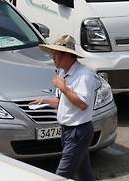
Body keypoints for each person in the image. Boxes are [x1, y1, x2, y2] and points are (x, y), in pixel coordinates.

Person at [32, 35, 98, 181]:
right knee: (84, 172)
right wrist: (45, 101)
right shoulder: (63, 73)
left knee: (62, 174)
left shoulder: (84, 76)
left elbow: (82, 104)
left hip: (78, 132)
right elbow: (63, 101)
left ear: (68, 55)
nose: (53, 58)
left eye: (56, 54)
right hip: (67, 131)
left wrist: (63, 87)